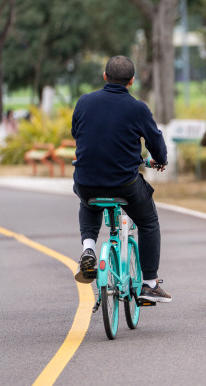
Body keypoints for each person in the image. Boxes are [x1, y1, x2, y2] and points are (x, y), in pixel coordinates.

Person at [71, 55, 171, 303]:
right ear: (131, 81)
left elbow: (77, 132)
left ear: (105, 77)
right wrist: (160, 159)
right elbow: (156, 144)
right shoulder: (137, 108)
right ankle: (149, 283)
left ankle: (89, 249)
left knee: (89, 202)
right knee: (148, 221)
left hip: (85, 180)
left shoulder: (84, 102)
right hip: (123, 183)